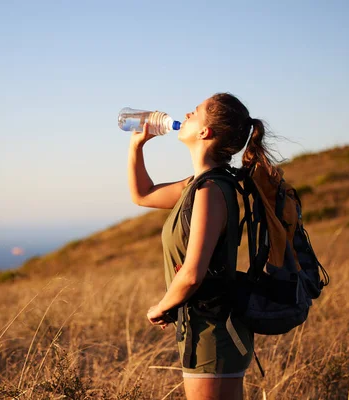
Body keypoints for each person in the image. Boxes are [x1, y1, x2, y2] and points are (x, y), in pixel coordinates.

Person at [128, 93, 275, 400]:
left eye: (195, 112)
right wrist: (136, 146)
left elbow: (193, 272)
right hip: (206, 330)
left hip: (214, 333)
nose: (186, 114)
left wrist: (161, 306)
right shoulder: (198, 184)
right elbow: (143, 194)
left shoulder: (210, 190)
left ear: (205, 132)